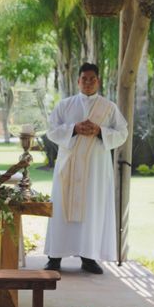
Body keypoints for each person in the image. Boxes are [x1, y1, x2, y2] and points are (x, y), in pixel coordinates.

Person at [43, 63, 128, 274]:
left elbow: (122, 133)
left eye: (92, 79)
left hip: (95, 171)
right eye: (84, 79)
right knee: (61, 210)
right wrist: (74, 129)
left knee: (92, 210)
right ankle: (54, 257)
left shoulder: (109, 108)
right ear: (78, 80)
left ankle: (89, 257)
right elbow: (51, 131)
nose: (88, 83)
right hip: (67, 169)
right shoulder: (65, 105)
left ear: (98, 81)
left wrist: (100, 131)